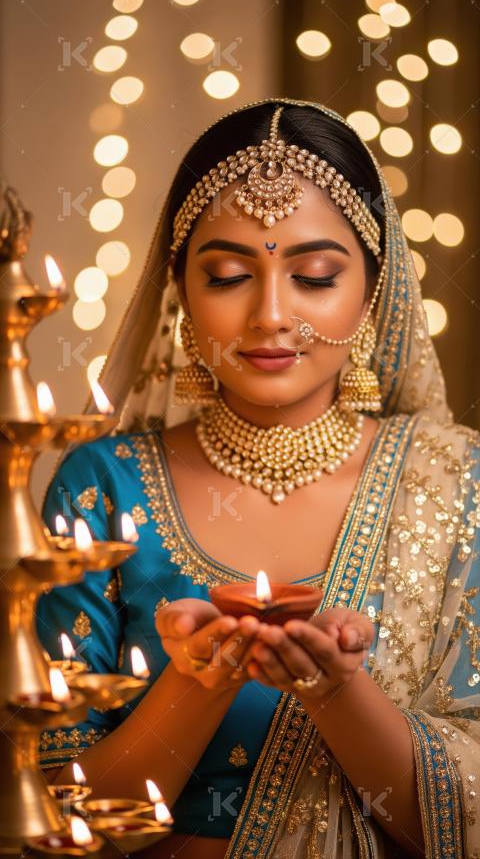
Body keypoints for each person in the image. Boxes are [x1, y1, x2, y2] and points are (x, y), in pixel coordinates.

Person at [37, 98, 480, 859]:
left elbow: (459, 830)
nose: (271, 314)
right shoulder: (101, 488)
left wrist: (338, 692)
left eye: (312, 276)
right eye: (231, 274)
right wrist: (197, 683)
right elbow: (55, 823)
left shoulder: (456, 481)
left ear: (374, 292)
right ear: (180, 292)